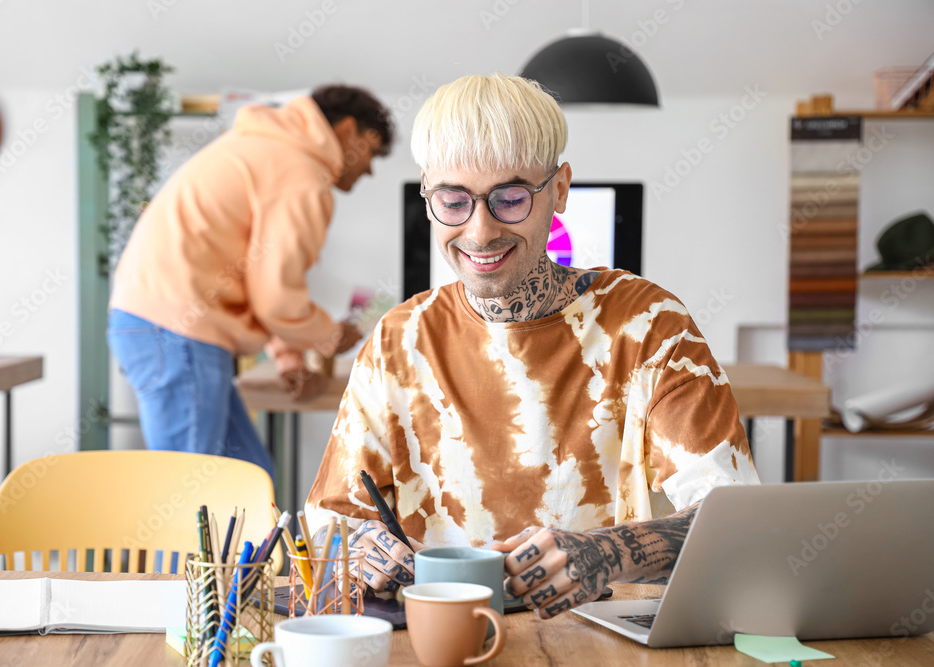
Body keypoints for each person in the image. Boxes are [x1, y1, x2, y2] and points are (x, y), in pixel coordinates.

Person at [304, 74, 760, 618]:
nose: (479, 233)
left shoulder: (649, 325)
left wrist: (605, 552)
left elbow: (739, 523)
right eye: (453, 200)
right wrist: (355, 548)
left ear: (560, 189)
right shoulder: (397, 339)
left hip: (603, 641)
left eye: (511, 198)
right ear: (428, 194)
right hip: (441, 642)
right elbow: (330, 526)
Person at [107, 85, 394, 476]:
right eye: (372, 150)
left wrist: (289, 357)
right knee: (191, 497)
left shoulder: (267, 150)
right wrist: (327, 334)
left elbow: (258, 280)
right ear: (346, 129)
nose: (370, 168)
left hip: (168, 326)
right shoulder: (301, 174)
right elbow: (276, 298)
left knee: (250, 480)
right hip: (178, 332)